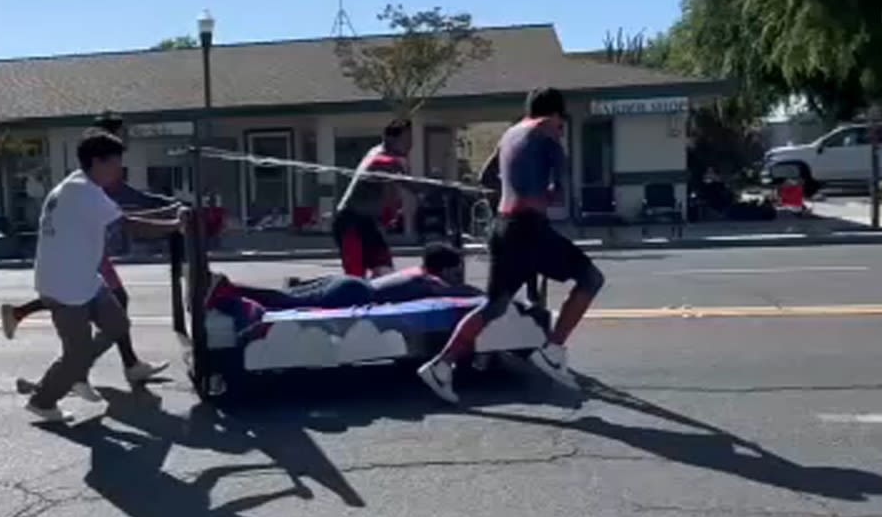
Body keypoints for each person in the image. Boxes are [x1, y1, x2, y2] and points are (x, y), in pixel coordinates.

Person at [418, 87, 605, 403]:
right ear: (555, 114)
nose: (560, 126)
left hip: (503, 227)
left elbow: (487, 176)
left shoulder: (510, 134)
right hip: (530, 228)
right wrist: (546, 189)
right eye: (561, 120)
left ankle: (441, 366)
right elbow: (559, 185)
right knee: (591, 279)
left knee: (494, 305)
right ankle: (553, 351)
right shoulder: (547, 131)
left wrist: (516, 188)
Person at [0, 112, 180, 397]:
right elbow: (130, 224)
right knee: (79, 347)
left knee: (116, 319)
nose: (120, 169)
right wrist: (176, 220)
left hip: (81, 268)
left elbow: (123, 215)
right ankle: (54, 390)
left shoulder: (80, 181)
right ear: (100, 157)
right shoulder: (88, 190)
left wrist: (167, 214)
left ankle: (88, 368)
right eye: (117, 162)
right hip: (71, 277)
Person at [207, 242, 473, 320]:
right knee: (287, 302)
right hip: (354, 293)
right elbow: (459, 295)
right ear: (444, 269)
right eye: (454, 270)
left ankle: (228, 286)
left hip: (348, 282)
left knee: (285, 296)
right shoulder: (432, 281)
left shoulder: (416, 270)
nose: (456, 276)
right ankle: (226, 287)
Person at [332, 119, 413, 278]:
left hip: (368, 224)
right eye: (406, 140)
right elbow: (410, 185)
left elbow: (391, 191)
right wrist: (441, 187)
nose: (410, 144)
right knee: (356, 279)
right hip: (350, 223)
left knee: (385, 271)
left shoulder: (388, 158)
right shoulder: (380, 158)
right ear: (390, 139)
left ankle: (377, 298)